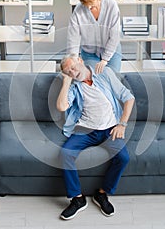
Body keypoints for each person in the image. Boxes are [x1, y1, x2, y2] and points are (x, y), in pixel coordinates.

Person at [57, 54, 135, 220]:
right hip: (85, 130)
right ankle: (77, 199)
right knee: (65, 154)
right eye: (68, 72)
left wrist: (122, 124)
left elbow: (128, 98)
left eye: (73, 67)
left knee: (123, 158)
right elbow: (62, 106)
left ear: (80, 60)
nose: (72, 72)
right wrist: (65, 81)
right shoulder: (73, 87)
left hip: (110, 129)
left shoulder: (104, 73)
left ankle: (102, 193)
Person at [67, 0, 122, 74]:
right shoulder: (79, 10)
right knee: (94, 79)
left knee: (113, 78)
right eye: (85, 4)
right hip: (90, 53)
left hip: (112, 50)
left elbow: (115, 36)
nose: (88, 7)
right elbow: (73, 38)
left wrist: (105, 59)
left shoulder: (111, 5)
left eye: (92, 4)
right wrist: (74, 59)